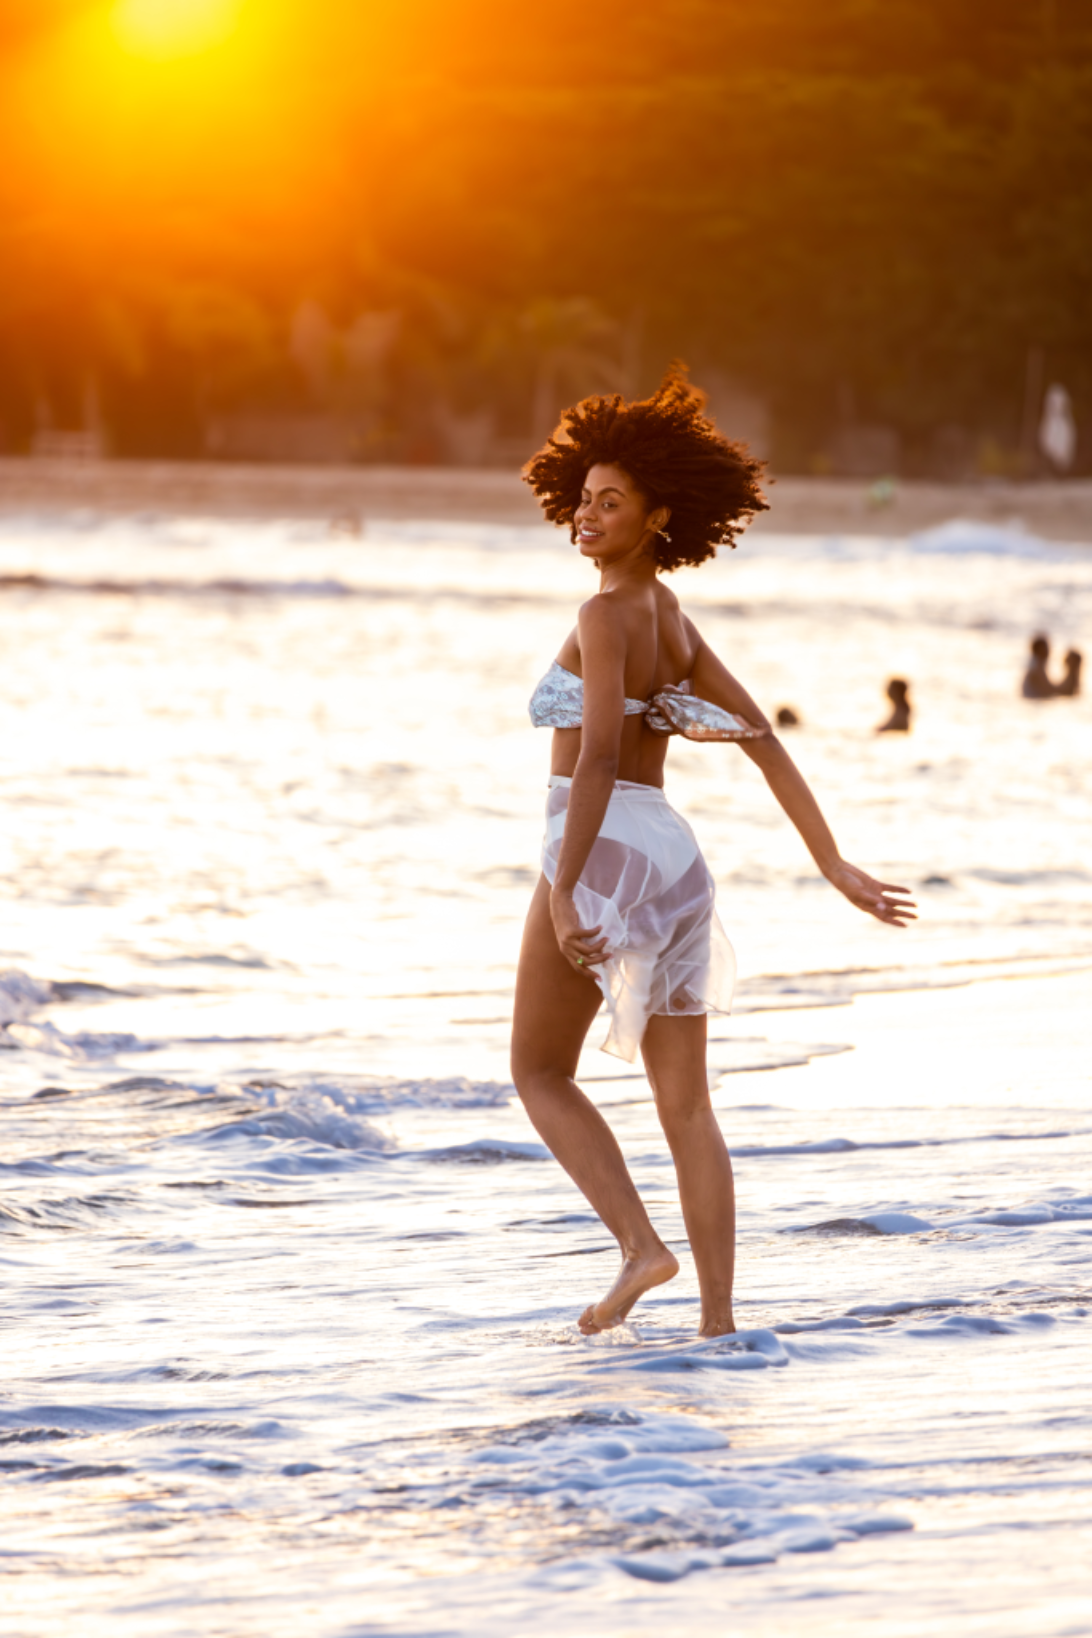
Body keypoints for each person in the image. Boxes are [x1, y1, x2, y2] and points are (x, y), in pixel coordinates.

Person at [511, 369, 916, 1340]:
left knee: (539, 1071)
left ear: (657, 517)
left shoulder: (603, 617)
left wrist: (565, 891)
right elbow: (759, 736)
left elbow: (601, 753)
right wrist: (833, 862)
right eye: (583, 498)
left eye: (613, 501)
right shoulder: (672, 622)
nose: (589, 514)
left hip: (600, 842)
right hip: (674, 859)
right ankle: (719, 1323)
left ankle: (641, 1249)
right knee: (686, 1104)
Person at [1022, 634, 1056, 699]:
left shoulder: (1034, 666)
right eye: (1046, 648)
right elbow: (1050, 690)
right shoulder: (1036, 669)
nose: (1048, 651)